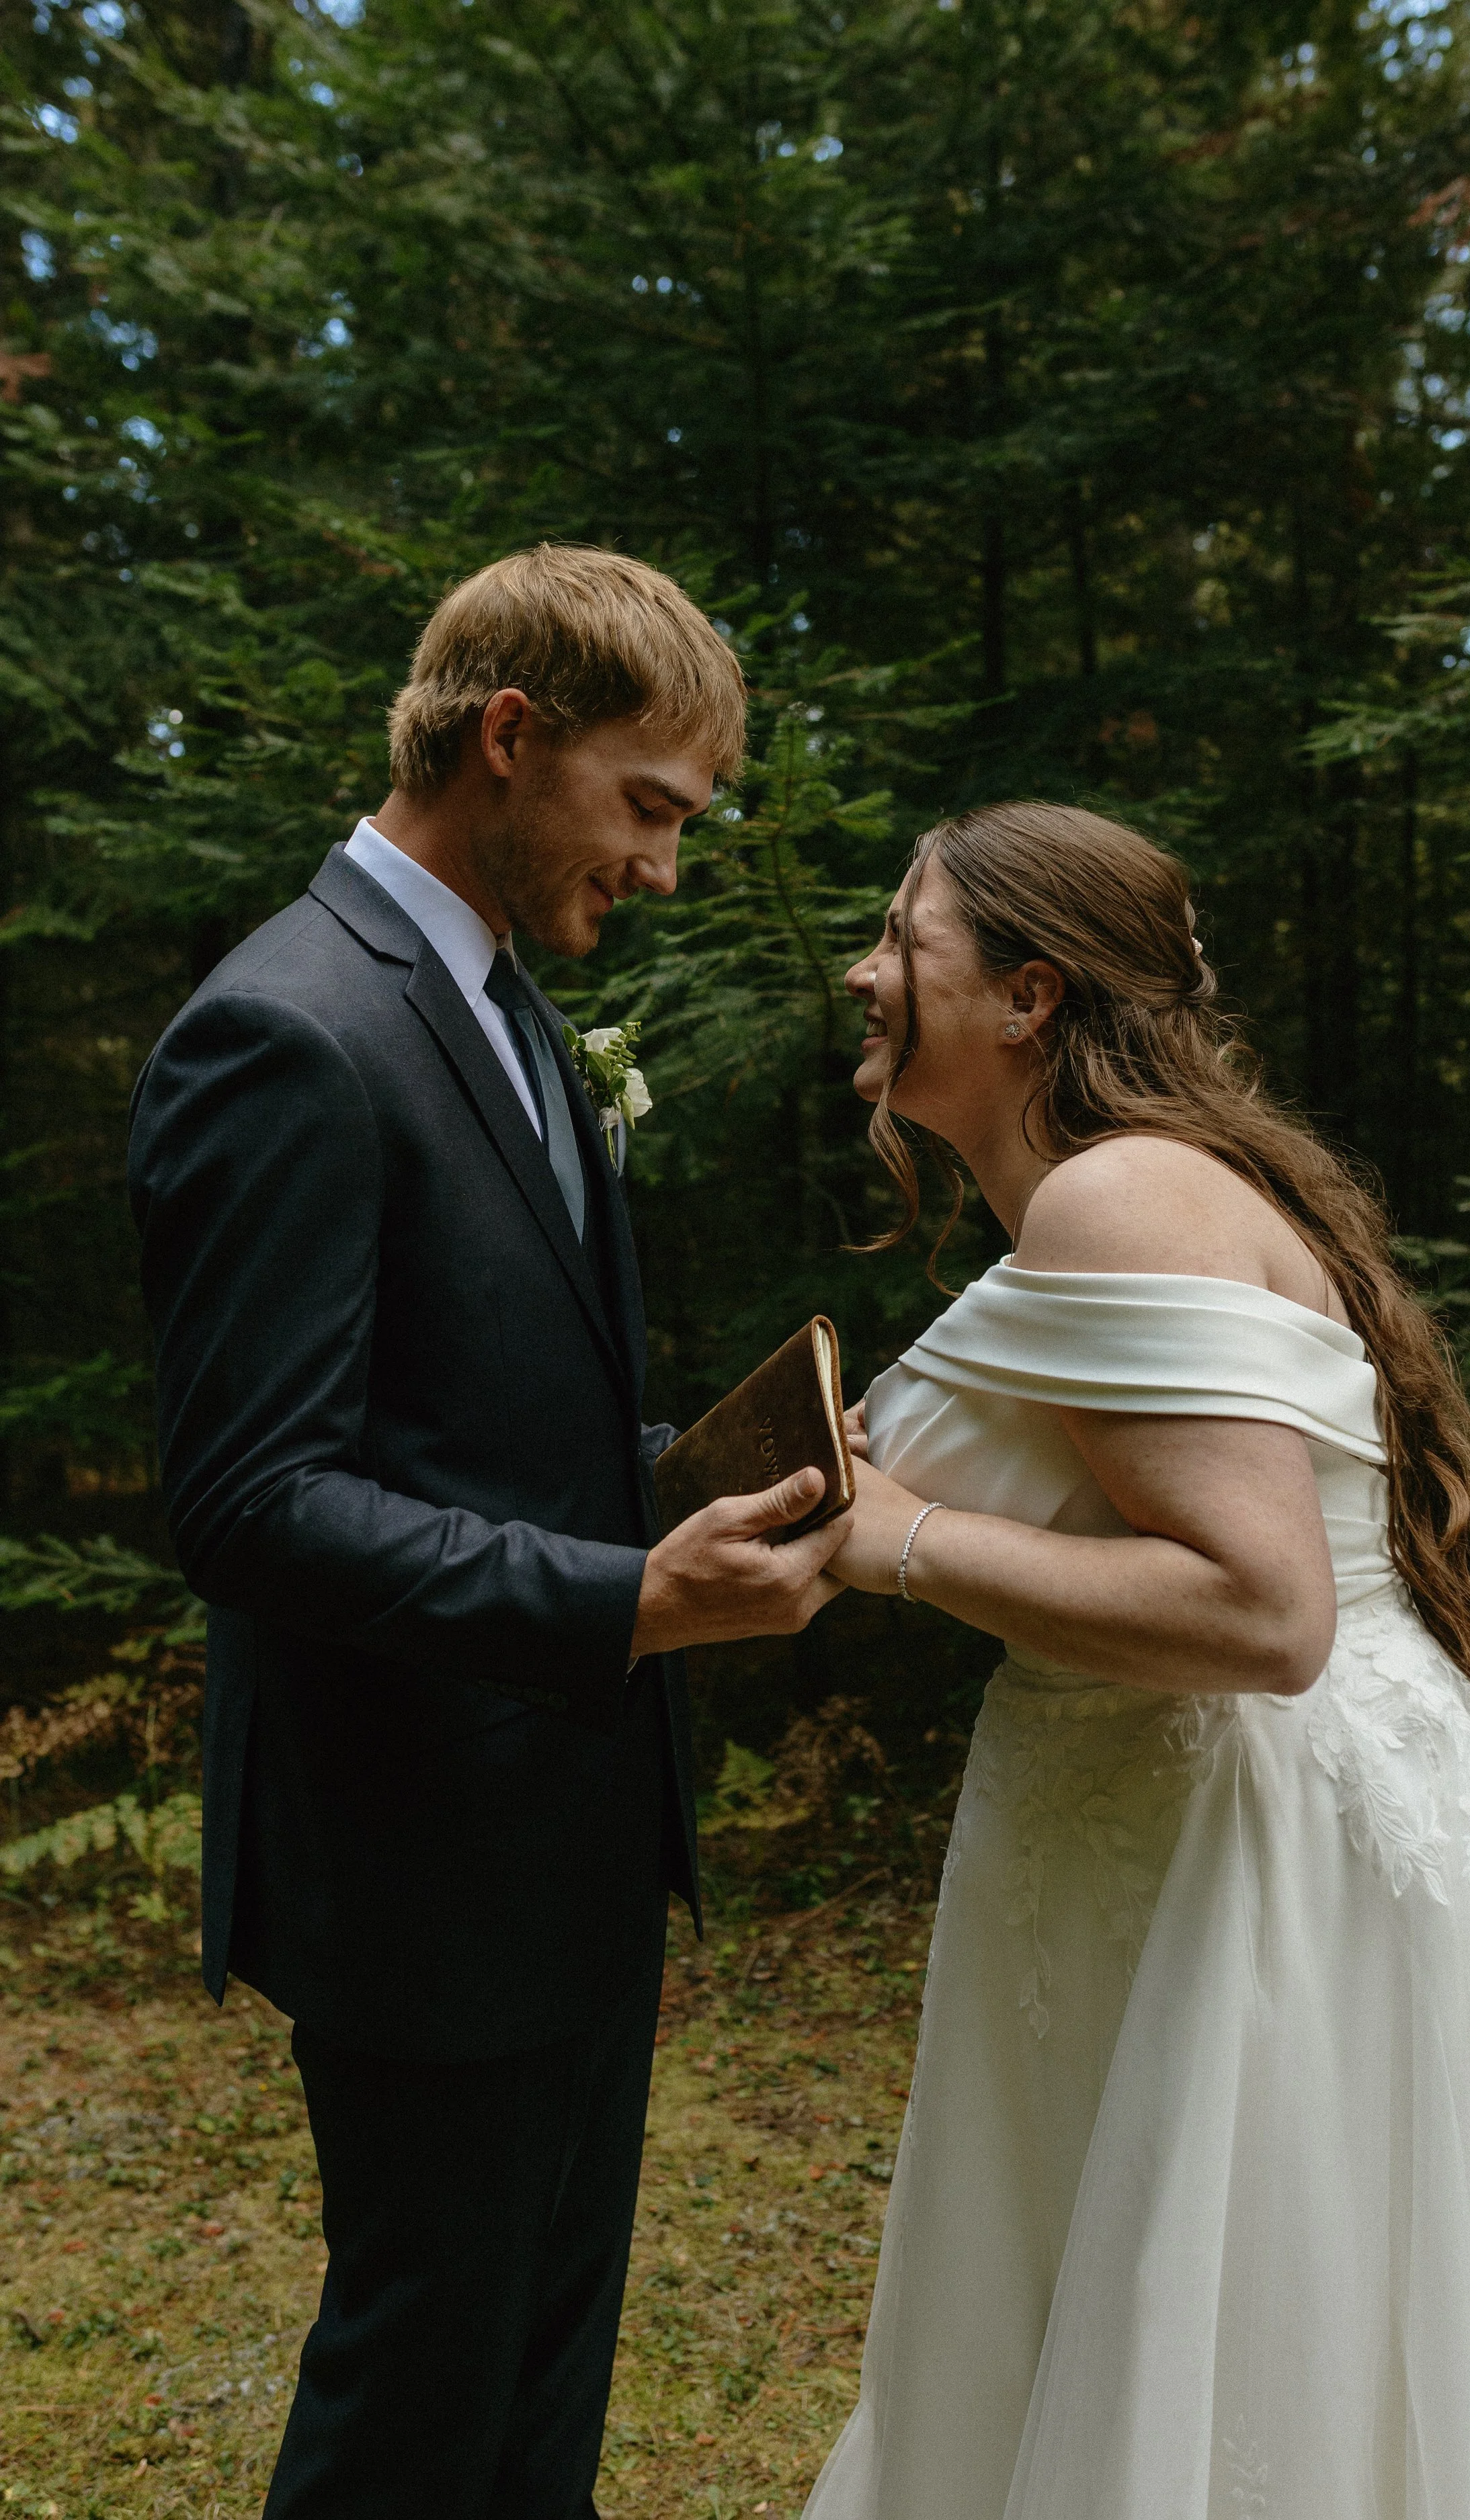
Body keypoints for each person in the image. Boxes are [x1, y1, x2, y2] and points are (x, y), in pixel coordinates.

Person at [808, 802, 1470, 2520]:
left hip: (1247, 1862)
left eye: (903, 939)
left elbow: (1261, 1614)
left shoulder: (1122, 1197)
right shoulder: (1116, 1194)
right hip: (1149, 1836)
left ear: (1026, 995)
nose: (864, 968)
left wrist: (888, 1539)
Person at [127, 544, 850, 2520]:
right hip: (418, 1850)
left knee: (540, 2380)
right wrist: (633, 1596)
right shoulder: (287, 1029)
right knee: (421, 2397)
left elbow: (476, 1419)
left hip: (570, 1835)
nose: (669, 866)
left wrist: (707, 1474)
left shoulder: (515, 1013)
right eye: (649, 807)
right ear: (509, 737)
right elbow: (255, 1499)